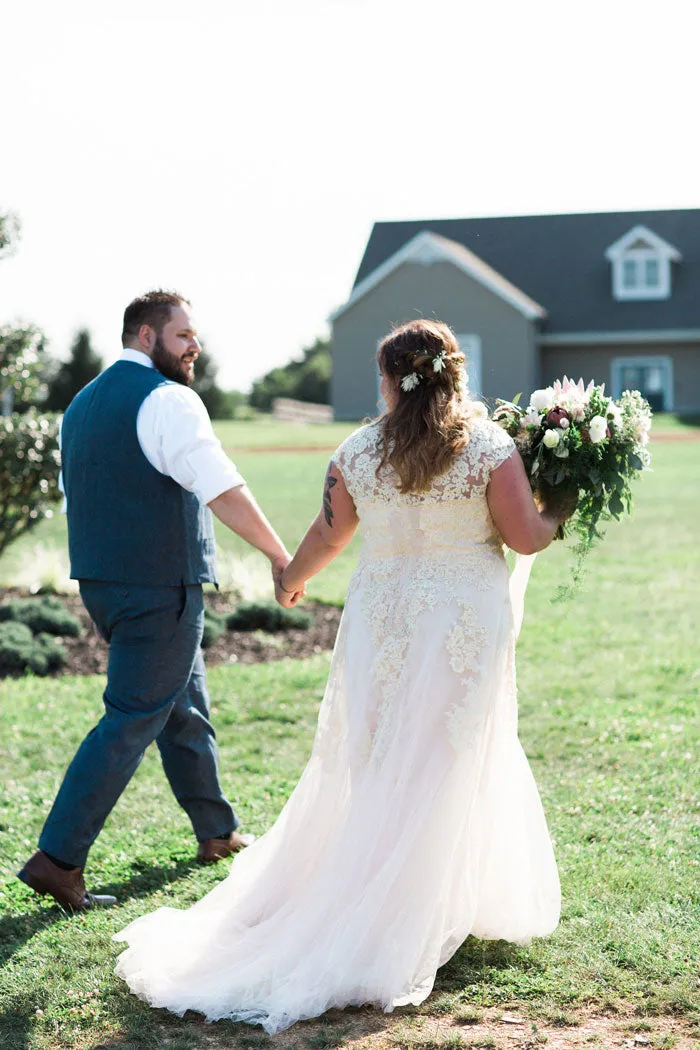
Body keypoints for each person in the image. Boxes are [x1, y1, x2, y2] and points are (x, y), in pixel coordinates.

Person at [113, 319, 574, 1033]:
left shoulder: (357, 451)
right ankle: (408, 909)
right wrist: (562, 506)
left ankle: (399, 894)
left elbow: (330, 533)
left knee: (383, 753)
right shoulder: (488, 447)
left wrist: (291, 579)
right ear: (453, 374)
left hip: (382, 621)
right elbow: (524, 536)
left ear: (390, 380)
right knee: (446, 756)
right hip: (460, 623)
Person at [18, 290, 291, 912]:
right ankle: (58, 859)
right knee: (132, 716)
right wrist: (280, 556)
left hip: (104, 584)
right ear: (145, 336)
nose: (195, 346)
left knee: (182, 704)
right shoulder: (170, 400)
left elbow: (80, 494)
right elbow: (220, 486)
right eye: (182, 335)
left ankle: (216, 832)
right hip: (158, 587)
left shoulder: (80, 405)